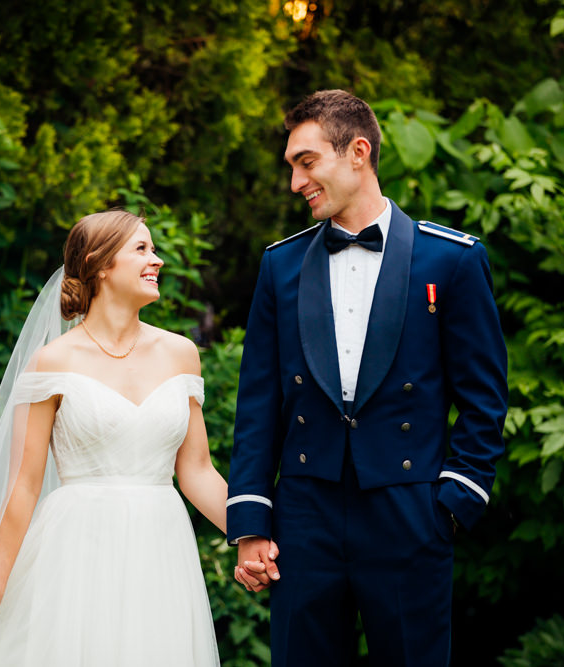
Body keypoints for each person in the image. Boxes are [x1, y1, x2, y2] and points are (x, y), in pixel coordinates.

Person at [227, 90, 509, 666]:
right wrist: (252, 523)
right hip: (305, 517)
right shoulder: (279, 265)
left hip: (411, 514)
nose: (295, 182)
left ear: (358, 152)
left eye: (306, 162)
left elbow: (484, 399)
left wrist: (453, 504)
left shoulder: (451, 260)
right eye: (291, 167)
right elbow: (258, 403)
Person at [0, 210, 233, 666]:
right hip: (77, 554)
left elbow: (197, 471)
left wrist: (257, 533)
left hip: (160, 550)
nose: (159, 261)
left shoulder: (181, 354)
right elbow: (24, 483)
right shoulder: (53, 362)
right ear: (101, 264)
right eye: (142, 249)